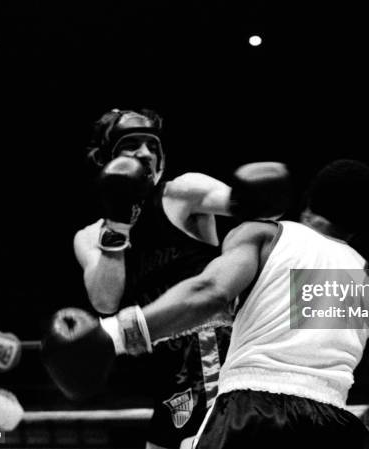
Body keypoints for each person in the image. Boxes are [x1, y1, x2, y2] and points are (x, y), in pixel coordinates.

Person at [49, 159, 369, 448]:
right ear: (360, 226)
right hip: (333, 426)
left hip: (251, 413)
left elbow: (210, 292)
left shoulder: (266, 236)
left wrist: (114, 334)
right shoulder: (366, 288)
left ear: (308, 200)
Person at [73, 108, 290, 449]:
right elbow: (104, 301)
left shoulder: (182, 193)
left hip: (211, 352)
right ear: (105, 157)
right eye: (132, 145)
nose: (145, 153)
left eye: (152, 145)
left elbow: (251, 206)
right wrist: (118, 225)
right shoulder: (89, 236)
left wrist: (256, 200)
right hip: (162, 367)